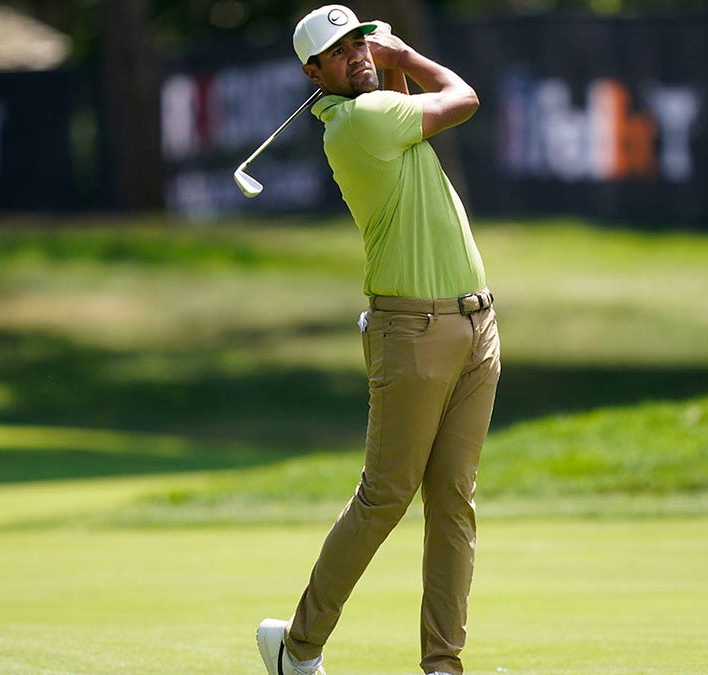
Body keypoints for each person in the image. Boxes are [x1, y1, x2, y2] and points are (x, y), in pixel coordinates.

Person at [256, 5, 501, 675]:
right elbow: (464, 98)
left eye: (360, 40)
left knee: (453, 498)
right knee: (386, 495)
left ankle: (442, 665)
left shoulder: (378, 112)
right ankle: (298, 646)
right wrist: (404, 55)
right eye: (340, 52)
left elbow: (410, 107)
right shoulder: (358, 123)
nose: (358, 53)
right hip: (412, 332)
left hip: (477, 325)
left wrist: (383, 65)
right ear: (314, 73)